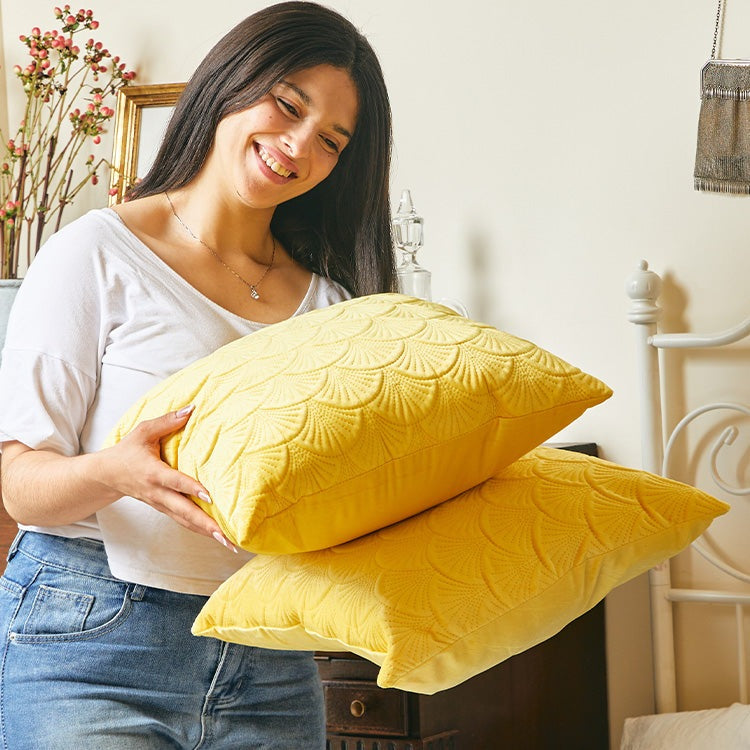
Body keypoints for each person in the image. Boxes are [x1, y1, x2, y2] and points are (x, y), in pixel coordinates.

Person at [0, 2, 395, 747]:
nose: (298, 144)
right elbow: (17, 483)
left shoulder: (333, 305)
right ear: (231, 81)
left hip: (268, 657)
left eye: (332, 141)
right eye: (287, 104)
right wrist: (117, 472)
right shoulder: (97, 253)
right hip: (89, 639)